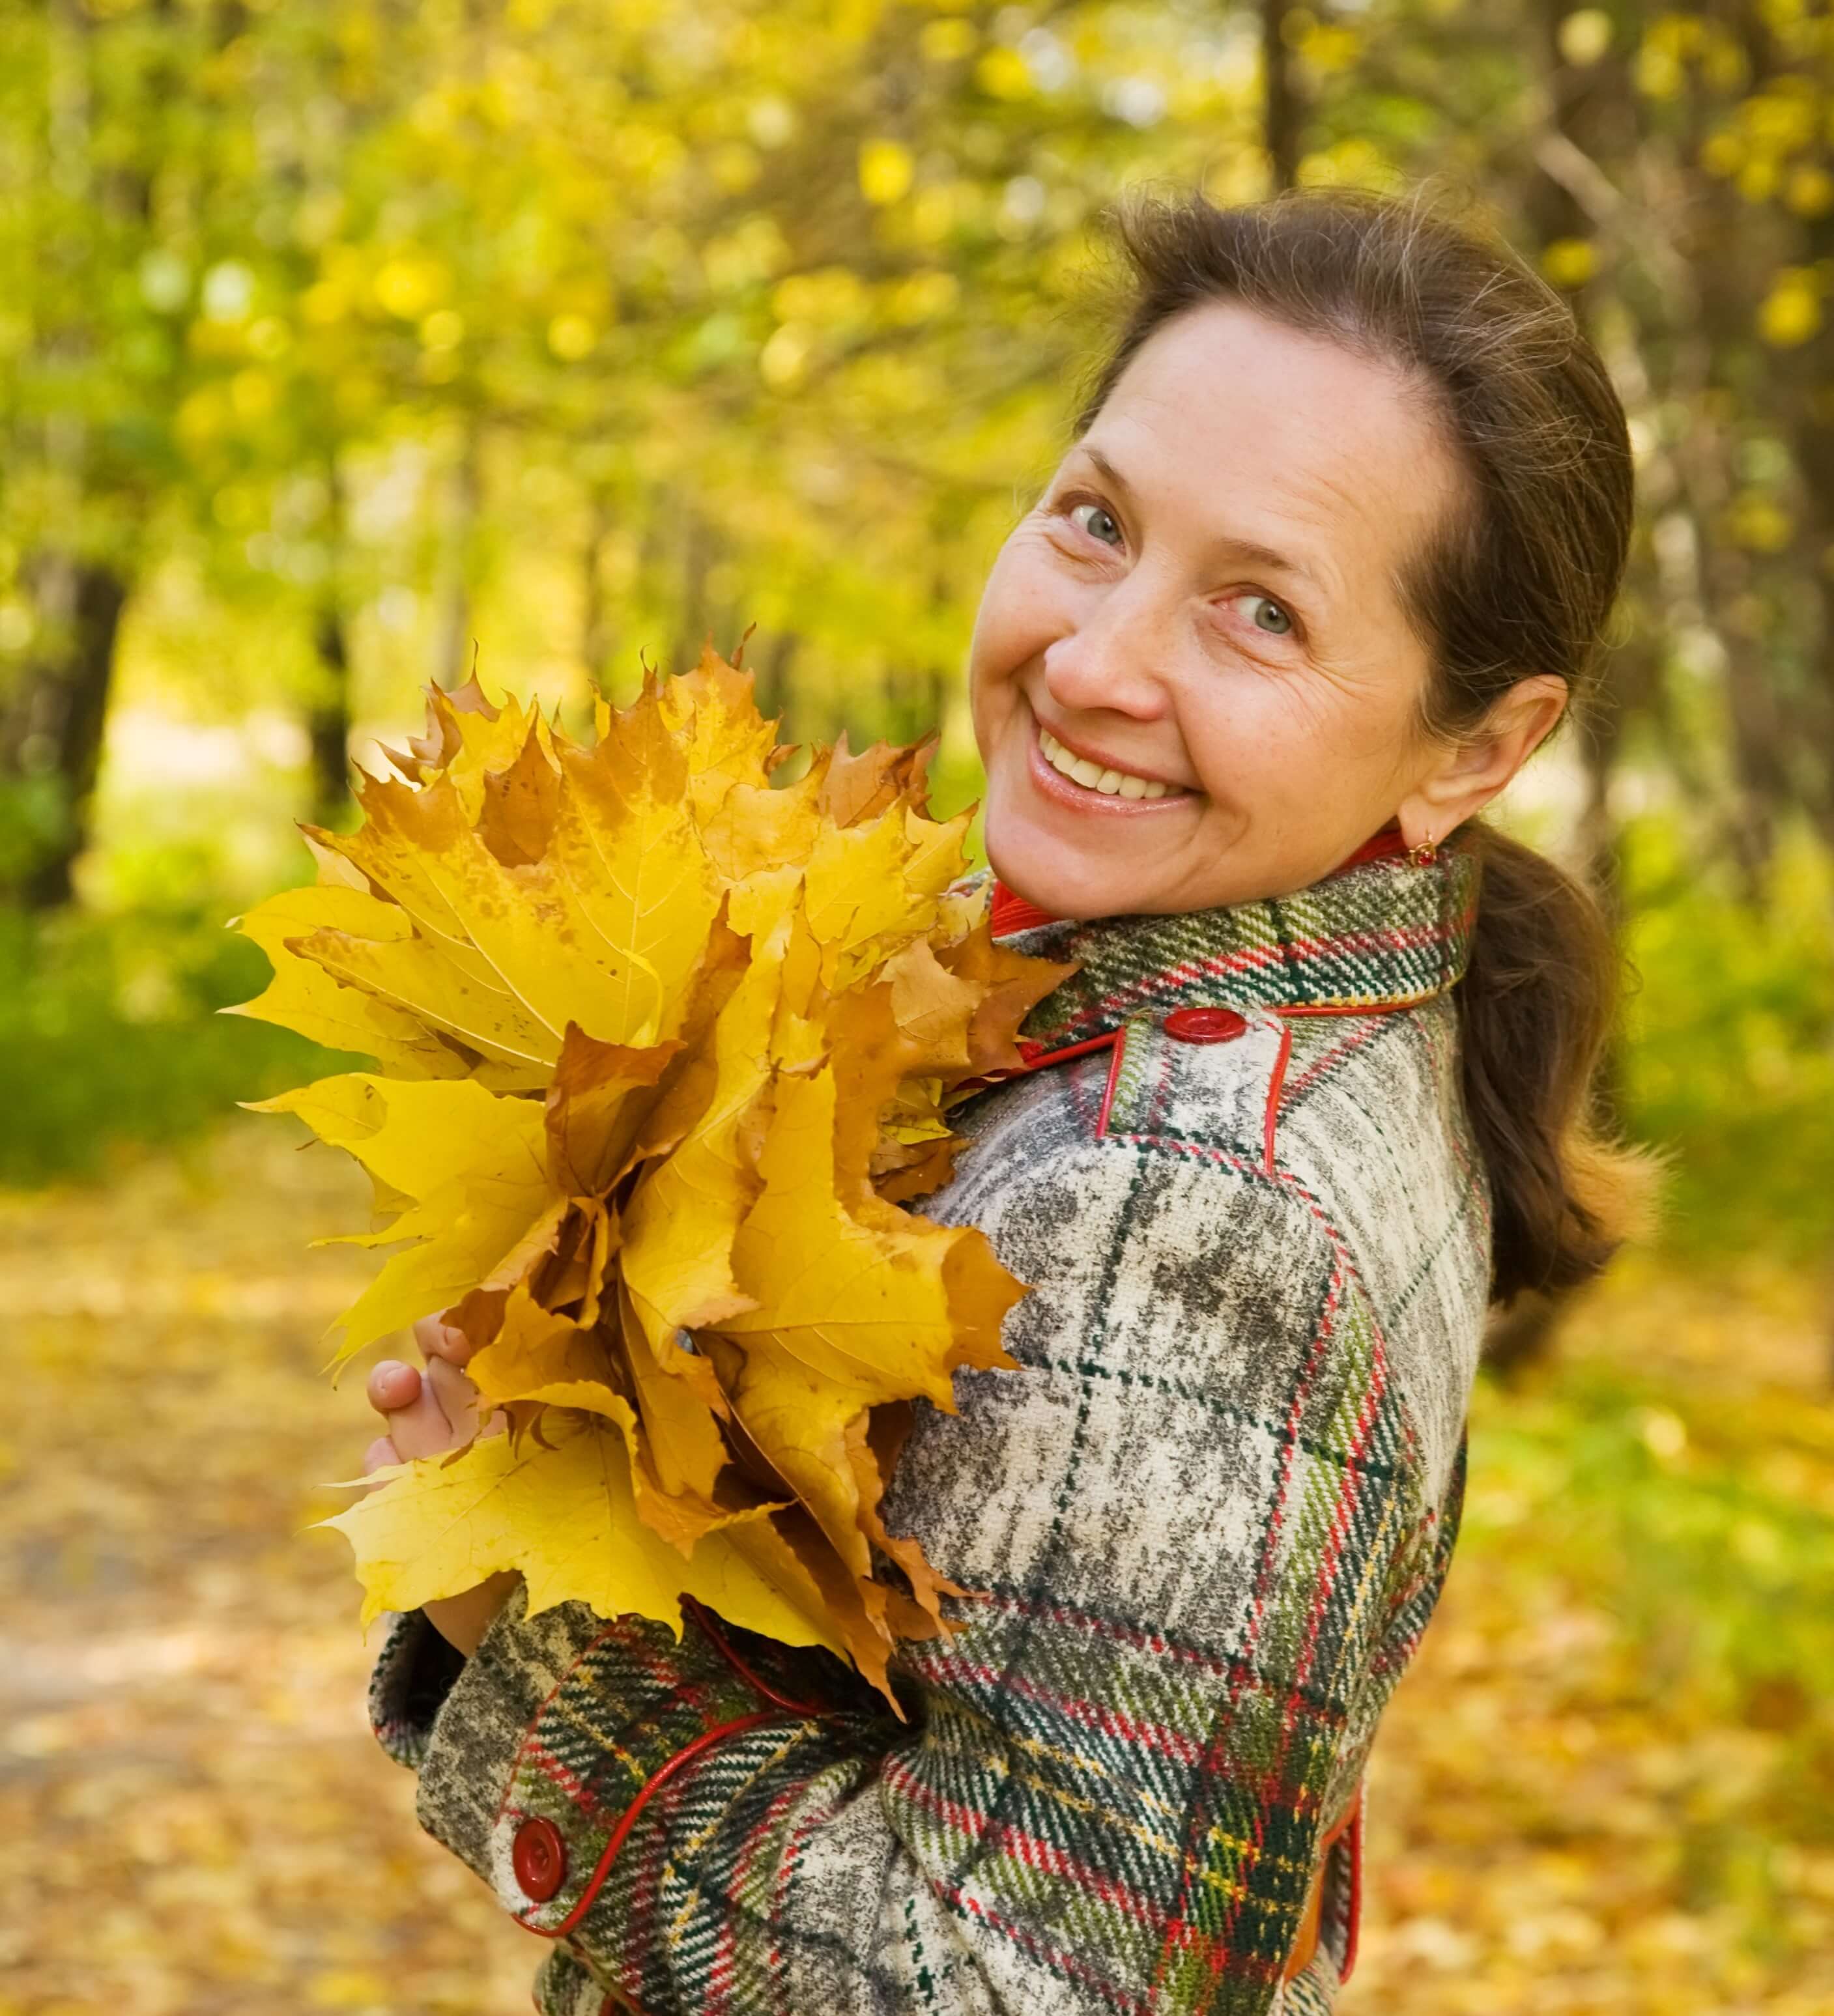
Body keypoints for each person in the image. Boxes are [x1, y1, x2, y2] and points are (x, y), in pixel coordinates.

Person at [359, 186, 1652, 2015]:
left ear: (1479, 746)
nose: (1099, 660)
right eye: (1095, 521)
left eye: (1259, 613)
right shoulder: (1154, 1008)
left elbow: (995, 1984)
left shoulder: (1189, 1203)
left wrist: (536, 1645)